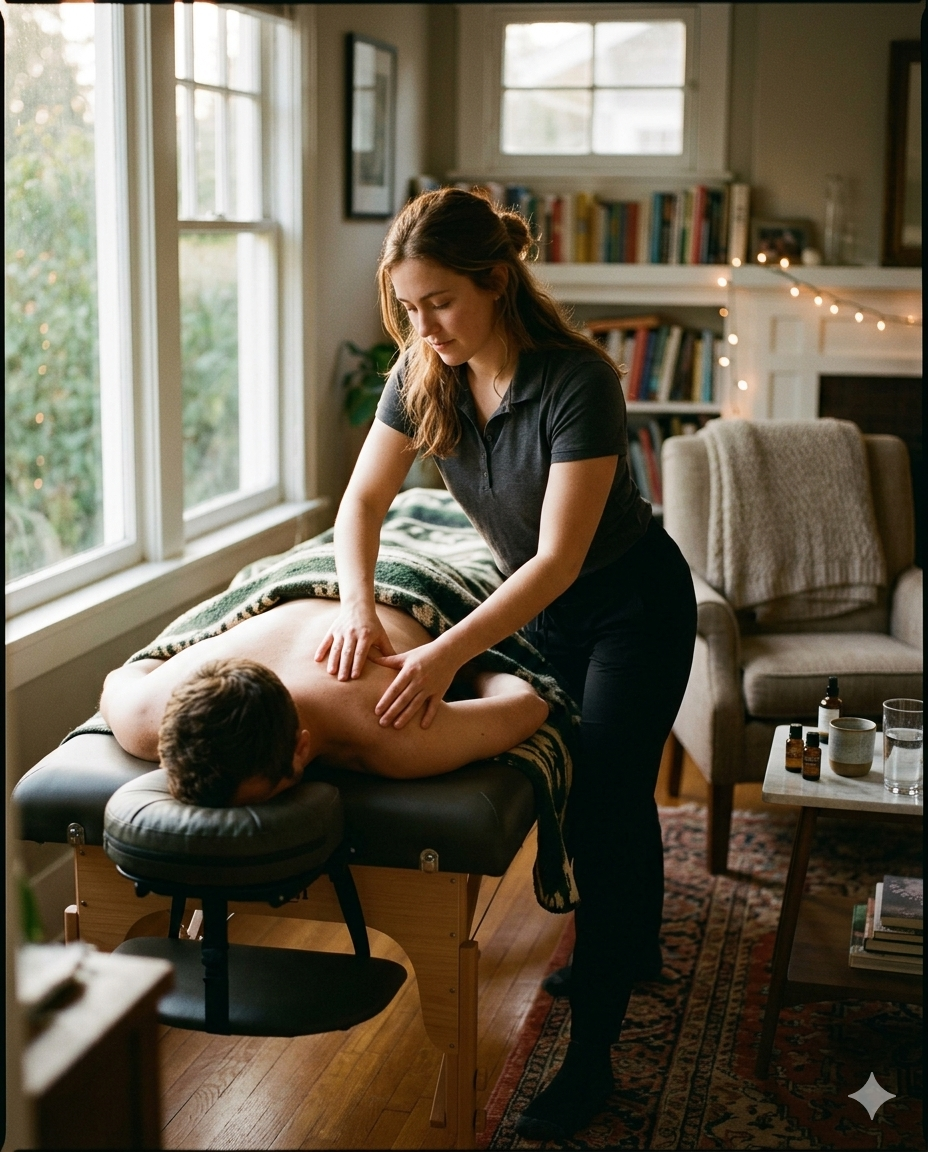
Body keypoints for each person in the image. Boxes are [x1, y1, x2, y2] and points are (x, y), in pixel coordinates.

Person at [314, 188, 697, 1141]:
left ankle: (593, 1056)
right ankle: (633, 943)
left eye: (439, 300)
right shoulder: (420, 373)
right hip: (542, 618)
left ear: (495, 281)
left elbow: (559, 559)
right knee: (596, 794)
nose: (422, 324)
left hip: (630, 609)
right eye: (407, 304)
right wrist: (358, 611)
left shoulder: (578, 381)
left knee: (607, 803)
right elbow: (359, 506)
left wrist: (445, 656)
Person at [98, 596, 549, 807]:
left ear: (300, 748)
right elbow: (126, 673)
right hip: (281, 586)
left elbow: (529, 703)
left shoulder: (394, 728)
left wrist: (462, 663)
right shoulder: (144, 715)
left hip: (406, 586)